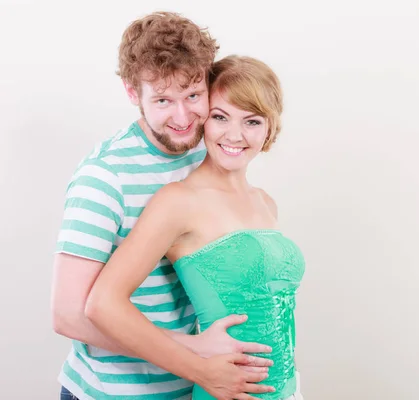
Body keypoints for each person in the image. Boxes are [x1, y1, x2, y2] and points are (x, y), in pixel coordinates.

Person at [51, 12, 274, 400]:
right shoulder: (105, 177)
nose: (183, 117)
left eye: (192, 95)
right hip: (112, 393)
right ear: (132, 92)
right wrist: (191, 352)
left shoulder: (210, 147)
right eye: (163, 100)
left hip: (190, 388)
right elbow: (68, 314)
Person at [86, 55, 305, 400]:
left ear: (269, 127)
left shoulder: (265, 202)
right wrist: (199, 368)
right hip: (226, 391)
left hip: (286, 391)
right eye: (220, 117)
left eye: (251, 121)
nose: (234, 135)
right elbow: (102, 304)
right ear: (204, 121)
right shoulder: (178, 201)